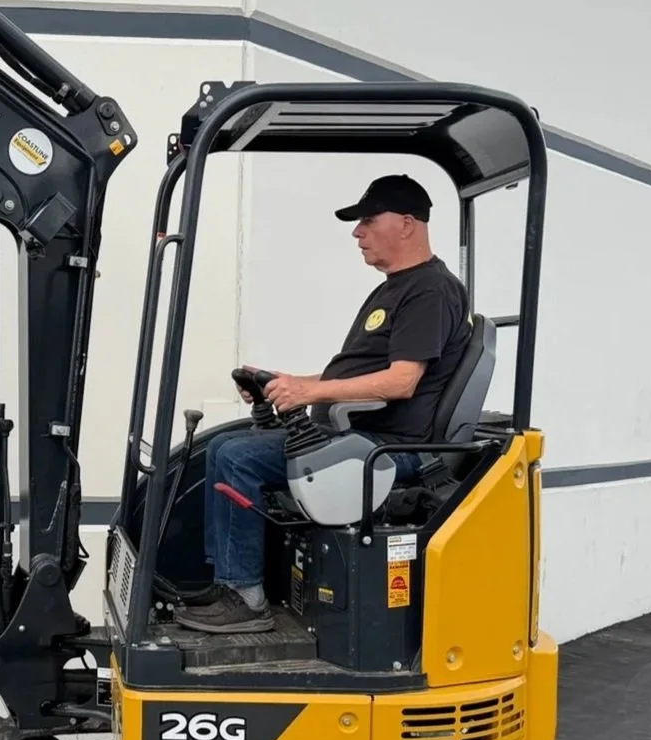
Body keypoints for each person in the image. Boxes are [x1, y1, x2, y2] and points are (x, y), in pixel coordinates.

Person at [180, 173, 472, 635]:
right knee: (223, 448)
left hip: (390, 450)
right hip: (360, 438)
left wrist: (310, 393)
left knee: (239, 457)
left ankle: (246, 599)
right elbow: (351, 376)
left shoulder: (430, 290)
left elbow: (401, 382)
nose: (357, 232)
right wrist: (288, 382)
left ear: (407, 224)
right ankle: (230, 585)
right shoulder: (394, 288)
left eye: (368, 221)